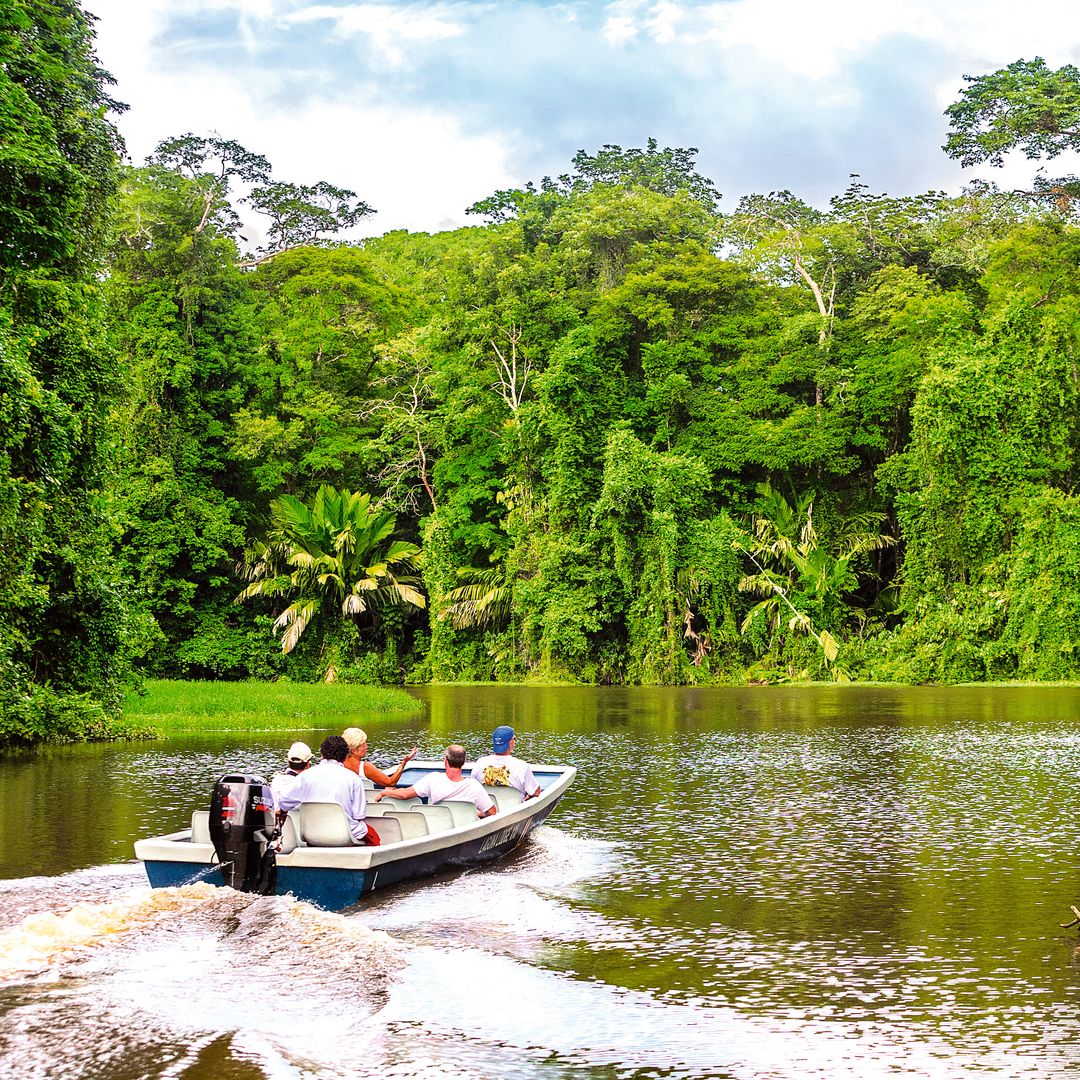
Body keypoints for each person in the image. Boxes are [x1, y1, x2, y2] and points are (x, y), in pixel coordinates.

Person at [276, 735, 380, 845]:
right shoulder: (353, 779)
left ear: (322, 754)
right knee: (373, 836)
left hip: (312, 835)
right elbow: (358, 815)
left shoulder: (304, 776)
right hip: (345, 834)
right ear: (345, 756)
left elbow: (283, 802)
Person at [373, 744, 496, 818]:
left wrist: (385, 792)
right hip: (464, 828)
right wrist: (477, 814)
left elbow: (404, 794)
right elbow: (492, 812)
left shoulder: (433, 779)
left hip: (438, 828)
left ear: (445, 761)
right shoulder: (474, 786)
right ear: (463, 763)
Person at [470, 725, 541, 800]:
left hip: (487, 809)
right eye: (514, 739)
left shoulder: (480, 763)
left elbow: (473, 789)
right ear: (511, 743)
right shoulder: (522, 766)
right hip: (515, 809)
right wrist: (528, 796)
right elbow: (536, 792)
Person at [342, 727, 418, 788]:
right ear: (355, 750)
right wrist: (404, 763)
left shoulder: (339, 764)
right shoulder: (365, 767)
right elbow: (391, 782)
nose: (367, 747)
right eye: (364, 744)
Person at [270, 741, 313, 808]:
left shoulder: (276, 781)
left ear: (288, 762)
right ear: (308, 765)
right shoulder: (308, 785)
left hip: (280, 817)